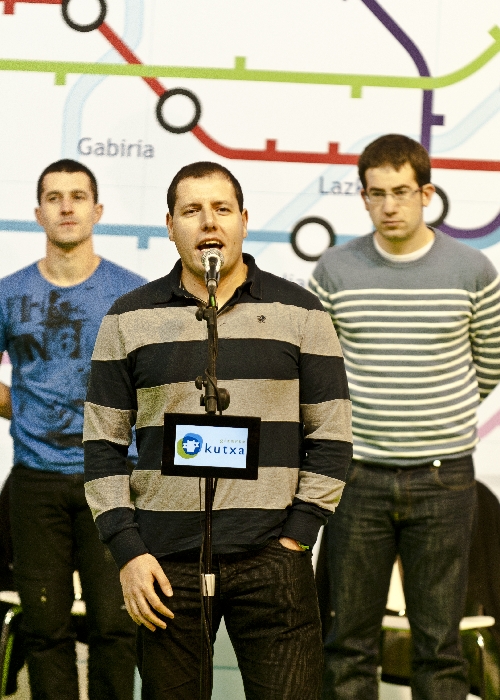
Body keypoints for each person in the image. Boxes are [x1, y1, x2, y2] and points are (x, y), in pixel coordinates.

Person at [83, 161, 353, 700]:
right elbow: (102, 447)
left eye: (222, 209)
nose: (209, 221)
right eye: (192, 210)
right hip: (164, 567)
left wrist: (297, 536)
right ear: (169, 226)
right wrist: (129, 551)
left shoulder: (301, 312)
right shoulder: (127, 318)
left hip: (273, 558)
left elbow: (332, 436)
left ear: (244, 221)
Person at [310, 134, 500, 700]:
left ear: (426, 193)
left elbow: (491, 361)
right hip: (357, 477)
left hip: (444, 477)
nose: (390, 205)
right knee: (348, 645)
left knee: (440, 647)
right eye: (377, 194)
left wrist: (436, 415)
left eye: (401, 191)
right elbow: (318, 369)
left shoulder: (472, 270)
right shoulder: (334, 271)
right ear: (363, 198)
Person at [0, 159, 146, 700]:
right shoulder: (9, 293)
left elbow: (157, 385)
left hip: (113, 478)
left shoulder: (132, 295)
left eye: (78, 196)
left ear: (97, 210)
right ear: (38, 213)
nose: (66, 207)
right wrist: (27, 409)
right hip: (35, 481)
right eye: (54, 197)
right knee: (44, 630)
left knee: (116, 626)